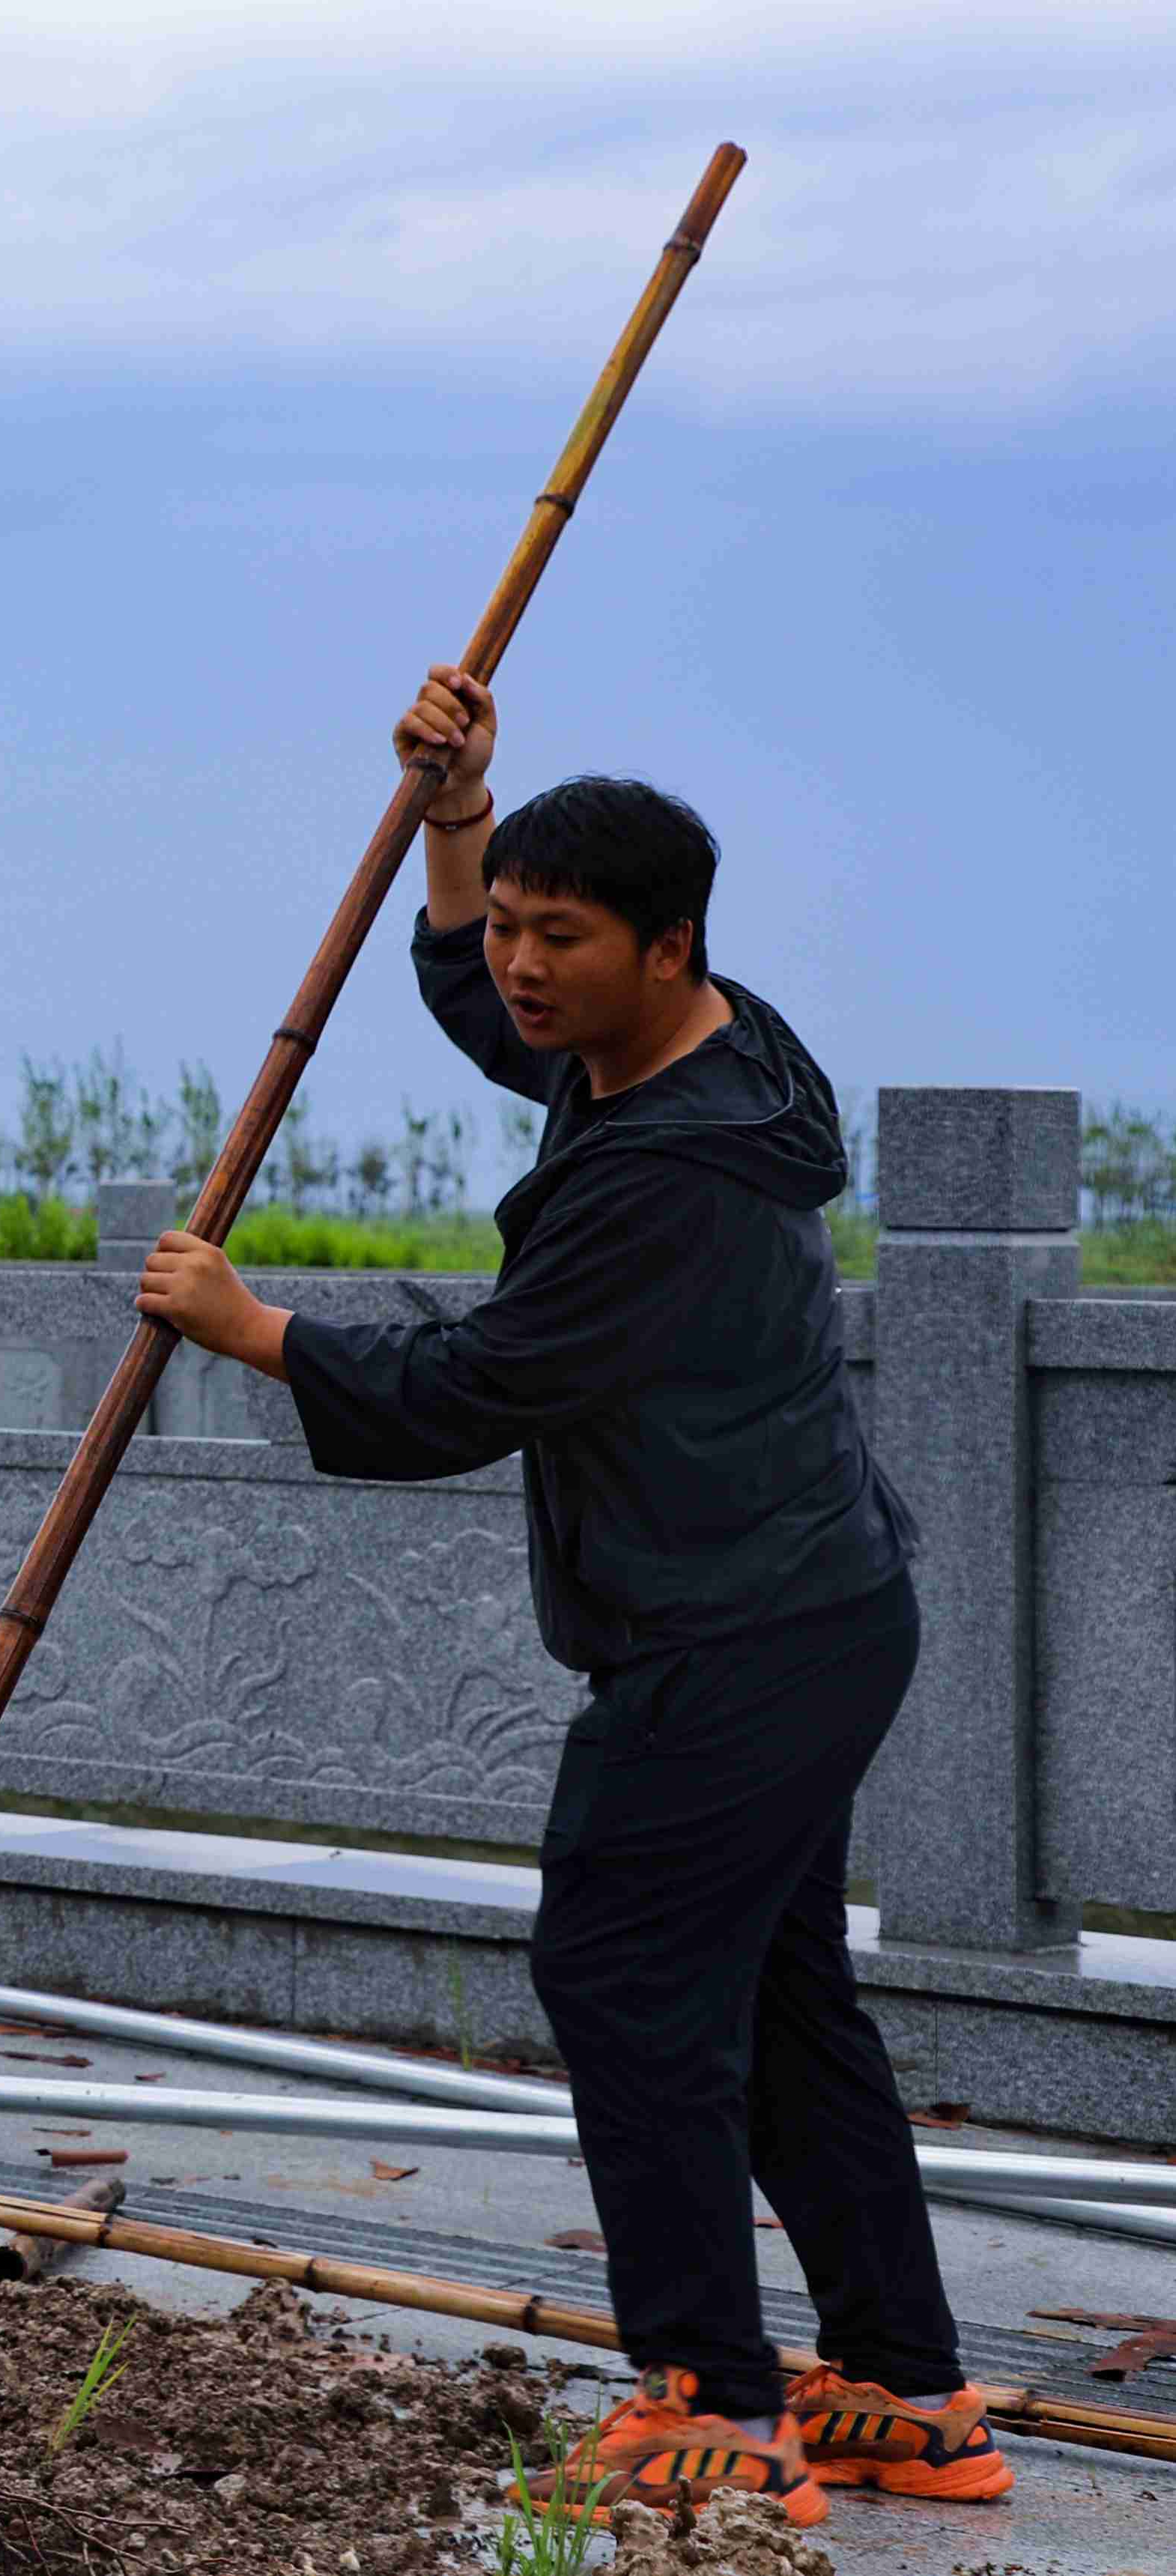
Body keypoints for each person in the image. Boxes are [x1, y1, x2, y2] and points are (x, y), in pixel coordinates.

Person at [136, 670, 1007, 2527]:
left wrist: (253, 1327)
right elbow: (483, 1013)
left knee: (621, 1974)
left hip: (735, 1630)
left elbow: (478, 1384)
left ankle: (711, 2397)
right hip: (808, 1601)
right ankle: (904, 2389)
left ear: (664, 943)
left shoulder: (668, 1178)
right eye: (512, 924)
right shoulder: (718, 1052)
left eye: (560, 935)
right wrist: (459, 811)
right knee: (775, 2005)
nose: (519, 964)